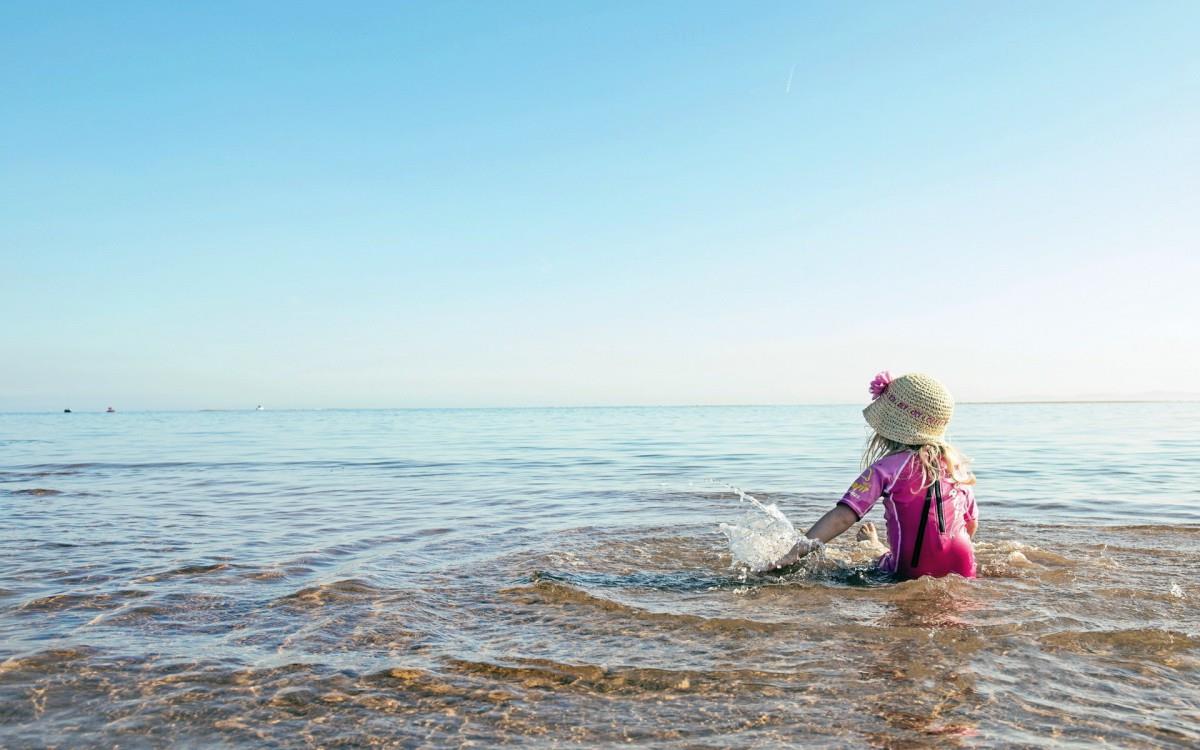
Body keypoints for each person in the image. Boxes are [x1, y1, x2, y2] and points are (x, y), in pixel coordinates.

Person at [772, 371, 978, 579]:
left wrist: (793, 553)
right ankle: (879, 547)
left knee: (881, 562)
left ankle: (874, 545)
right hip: (965, 565)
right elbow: (971, 524)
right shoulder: (956, 467)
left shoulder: (887, 468)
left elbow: (843, 517)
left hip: (911, 569)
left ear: (889, 424)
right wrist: (942, 553)